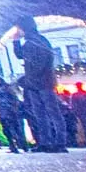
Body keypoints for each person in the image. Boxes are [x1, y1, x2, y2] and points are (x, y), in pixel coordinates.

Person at [14, 17, 68, 153]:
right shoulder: (32, 41)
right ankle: (46, 142)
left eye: (19, 28)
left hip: (42, 83)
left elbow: (41, 63)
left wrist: (31, 78)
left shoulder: (37, 41)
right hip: (36, 83)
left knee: (51, 113)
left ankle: (59, 142)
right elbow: (20, 55)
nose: (18, 31)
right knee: (42, 114)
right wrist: (16, 42)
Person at [0, 74, 25, 152]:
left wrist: (13, 108)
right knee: (7, 130)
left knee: (16, 129)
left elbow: (14, 99)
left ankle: (21, 145)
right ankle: (13, 146)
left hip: (10, 112)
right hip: (3, 113)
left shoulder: (6, 88)